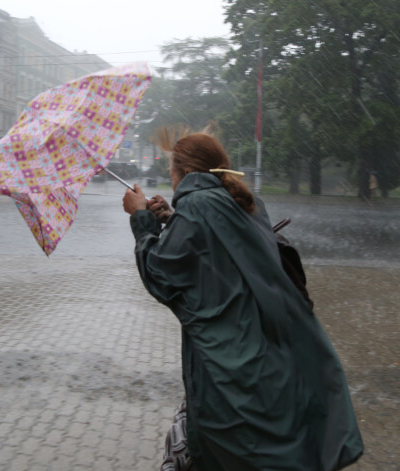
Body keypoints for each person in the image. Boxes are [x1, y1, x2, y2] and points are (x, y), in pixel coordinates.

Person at [122, 127, 364, 471]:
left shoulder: (198, 206)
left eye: (171, 172)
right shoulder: (242, 202)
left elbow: (161, 274)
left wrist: (140, 219)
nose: (171, 179)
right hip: (269, 354)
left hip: (229, 365)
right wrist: (171, 220)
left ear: (185, 173)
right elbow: (218, 251)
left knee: (224, 451)